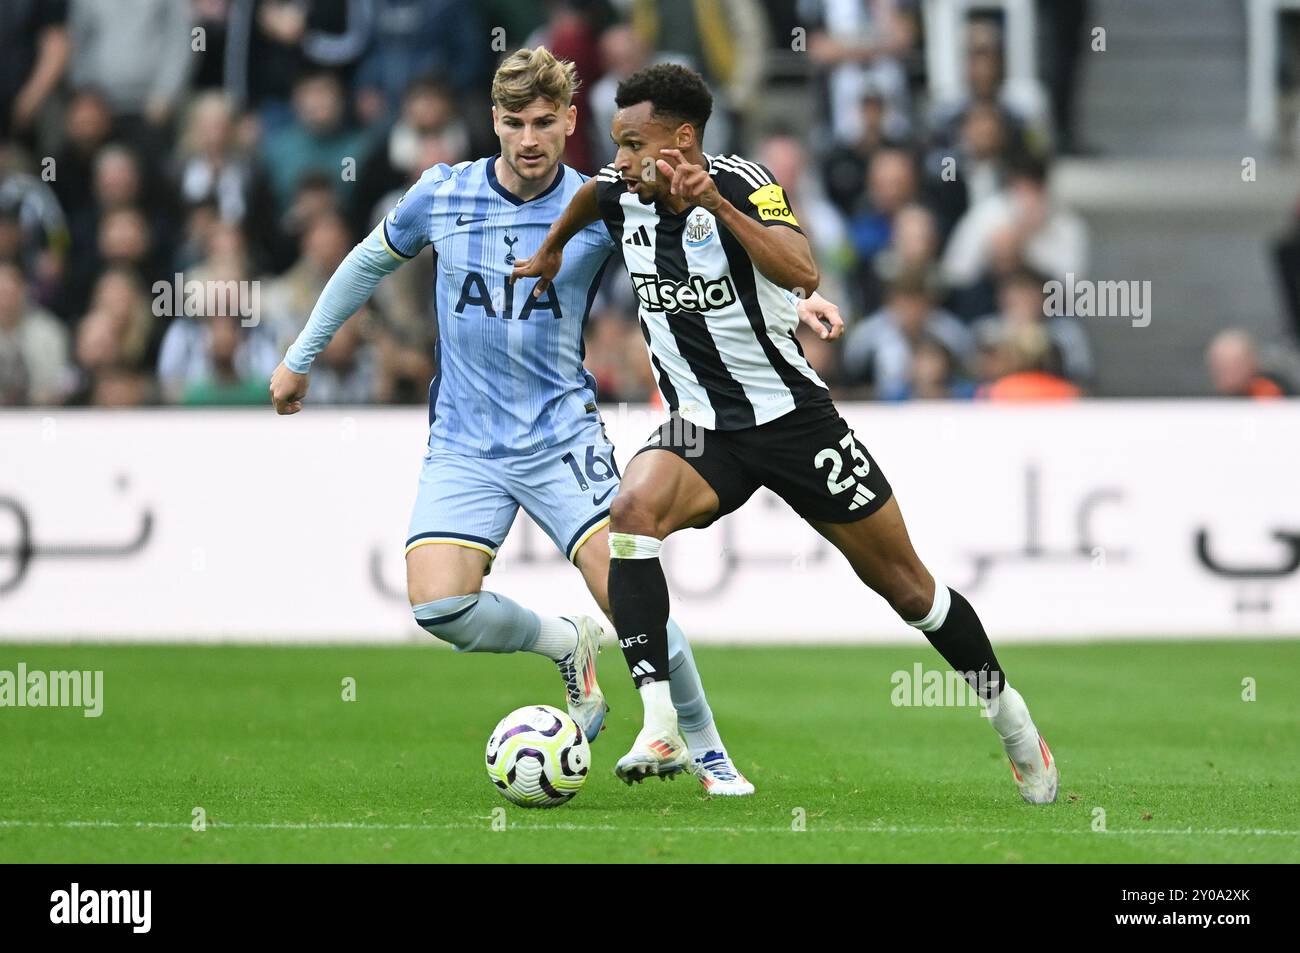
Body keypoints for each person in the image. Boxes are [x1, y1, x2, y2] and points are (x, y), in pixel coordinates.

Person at [268, 48, 841, 794]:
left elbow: (700, 268)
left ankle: (709, 753)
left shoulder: (602, 203)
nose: (530, 138)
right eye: (515, 123)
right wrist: (301, 355)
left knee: (631, 595)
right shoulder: (442, 194)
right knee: (440, 603)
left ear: (571, 122)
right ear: (494, 123)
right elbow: (365, 265)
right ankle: (566, 644)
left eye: (546, 122)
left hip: (561, 437)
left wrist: (793, 304)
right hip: (466, 442)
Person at [512, 63, 1058, 803]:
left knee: (909, 589)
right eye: (616, 144)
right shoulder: (619, 193)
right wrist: (549, 250)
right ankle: (662, 716)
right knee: (631, 513)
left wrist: (719, 210)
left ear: (682, 140)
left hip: (794, 422)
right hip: (705, 430)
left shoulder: (741, 183)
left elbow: (800, 267)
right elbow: (586, 197)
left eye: (633, 144)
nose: (620, 161)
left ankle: (1010, 714)